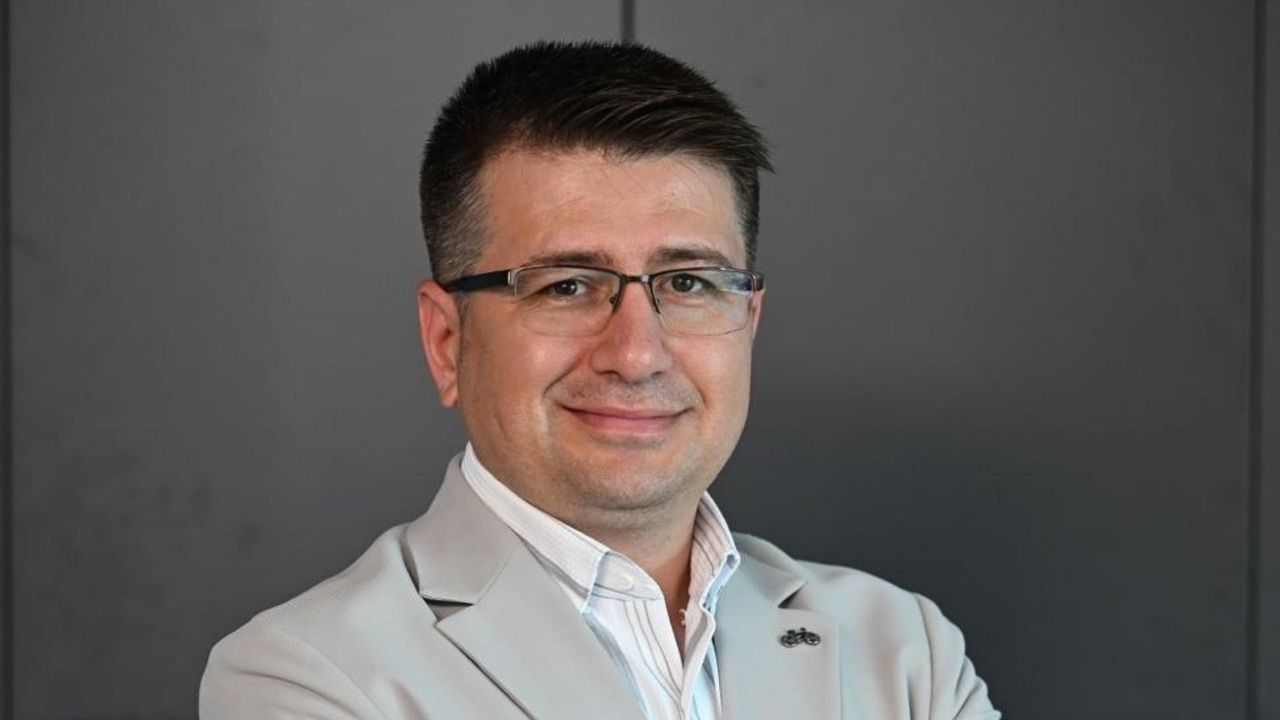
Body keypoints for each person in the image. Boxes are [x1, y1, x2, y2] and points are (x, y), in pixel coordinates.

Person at [200, 40, 1000, 720]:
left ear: (748, 322)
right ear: (447, 341)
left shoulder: (904, 651)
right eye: (567, 286)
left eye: (688, 283)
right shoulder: (308, 676)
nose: (637, 353)